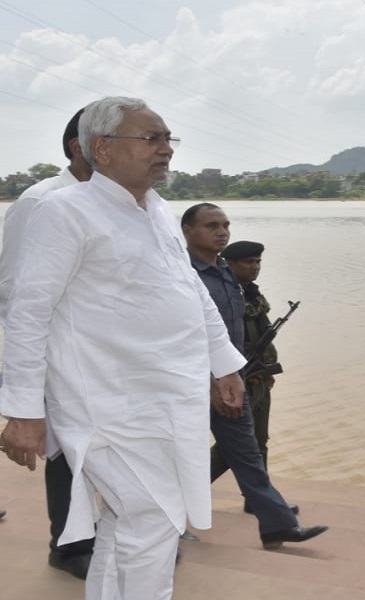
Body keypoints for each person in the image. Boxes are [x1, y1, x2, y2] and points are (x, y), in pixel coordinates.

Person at [0, 96, 245, 600]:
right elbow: (27, 311)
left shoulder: (155, 210)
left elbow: (190, 291)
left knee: (125, 520)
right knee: (153, 518)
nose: (165, 150)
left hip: (165, 397)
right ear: (103, 149)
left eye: (167, 139)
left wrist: (224, 365)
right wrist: (22, 409)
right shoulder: (62, 211)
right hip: (106, 403)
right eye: (151, 139)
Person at [181, 203, 327, 548]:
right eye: (212, 225)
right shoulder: (180, 274)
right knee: (178, 455)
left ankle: (277, 524)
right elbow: (180, 335)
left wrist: (233, 376)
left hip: (233, 379)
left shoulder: (226, 273)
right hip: (190, 382)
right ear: (187, 231)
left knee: (248, 452)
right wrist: (209, 382)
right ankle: (162, 522)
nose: (222, 232)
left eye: (226, 225)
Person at [0, 107, 95, 580]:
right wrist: (27, 389)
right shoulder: (42, 201)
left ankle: (111, 536)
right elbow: (18, 293)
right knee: (66, 452)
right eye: (140, 139)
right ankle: (70, 544)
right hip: (61, 355)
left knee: (104, 449)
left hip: (105, 359)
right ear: (82, 147)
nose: (157, 150)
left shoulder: (126, 203)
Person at [216, 240, 280, 513]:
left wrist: (267, 370)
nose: (255, 267)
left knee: (259, 441)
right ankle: (179, 497)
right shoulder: (223, 295)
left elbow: (262, 334)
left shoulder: (251, 293)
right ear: (230, 264)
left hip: (258, 378)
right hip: (233, 380)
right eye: (248, 262)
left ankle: (259, 501)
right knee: (234, 446)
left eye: (258, 262)